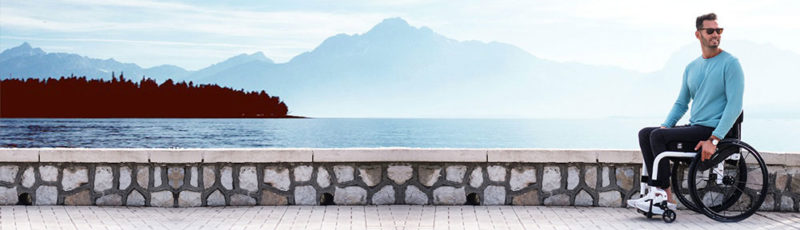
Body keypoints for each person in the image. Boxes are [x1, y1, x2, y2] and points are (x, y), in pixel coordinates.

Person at [627, 12, 744, 214]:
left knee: (657, 136)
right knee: (646, 133)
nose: (715, 34)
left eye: (719, 30)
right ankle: (662, 195)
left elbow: (735, 107)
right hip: (696, 127)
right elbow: (682, 103)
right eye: (710, 31)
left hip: (712, 130)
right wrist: (666, 125)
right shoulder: (692, 67)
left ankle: (662, 196)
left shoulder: (731, 64)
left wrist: (714, 139)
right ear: (698, 35)